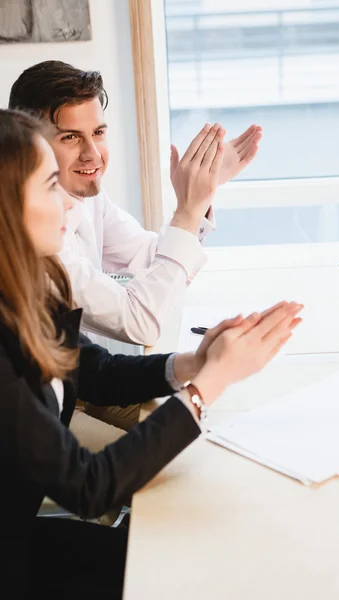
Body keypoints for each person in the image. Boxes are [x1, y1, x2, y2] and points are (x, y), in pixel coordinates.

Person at [0, 109, 302, 599]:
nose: (68, 205)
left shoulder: (27, 282)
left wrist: (192, 364)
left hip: (20, 536)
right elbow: (87, 487)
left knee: (173, 553)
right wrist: (208, 388)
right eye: (50, 186)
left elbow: (91, 368)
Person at [9, 60, 263, 437]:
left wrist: (201, 198)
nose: (93, 154)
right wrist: (187, 210)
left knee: (222, 422)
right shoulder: (36, 237)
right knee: (178, 449)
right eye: (70, 137)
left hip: (92, 375)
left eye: (97, 132)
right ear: (28, 145)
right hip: (55, 406)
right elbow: (139, 322)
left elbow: (151, 258)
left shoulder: (85, 195)